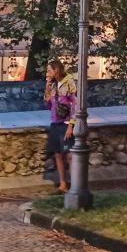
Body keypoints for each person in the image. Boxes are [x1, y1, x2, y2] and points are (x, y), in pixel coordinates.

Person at [44, 59, 77, 193]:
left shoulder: (69, 82)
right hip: (55, 122)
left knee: (69, 155)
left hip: (65, 123)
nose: (47, 73)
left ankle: (75, 184)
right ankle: (63, 184)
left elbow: (74, 104)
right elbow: (48, 106)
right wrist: (47, 90)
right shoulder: (52, 85)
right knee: (57, 154)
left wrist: (71, 125)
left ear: (56, 70)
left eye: (49, 70)